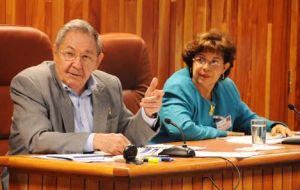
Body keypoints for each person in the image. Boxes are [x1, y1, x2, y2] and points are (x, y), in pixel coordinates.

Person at [1, 19, 163, 189]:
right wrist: (95, 140)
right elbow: (37, 140)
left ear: (98, 60)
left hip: (96, 179)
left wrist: (148, 114)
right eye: (69, 54)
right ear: (55, 53)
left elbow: (127, 137)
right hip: (35, 181)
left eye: (86, 57)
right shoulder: (31, 83)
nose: (77, 64)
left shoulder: (109, 85)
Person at [151, 30, 293, 143]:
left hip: (212, 157)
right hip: (169, 160)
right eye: (200, 60)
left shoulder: (227, 87)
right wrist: (222, 133)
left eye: (214, 62)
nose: (205, 67)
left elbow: (245, 119)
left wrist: (273, 126)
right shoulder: (178, 86)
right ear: (192, 62)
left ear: (224, 67)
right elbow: (181, 130)